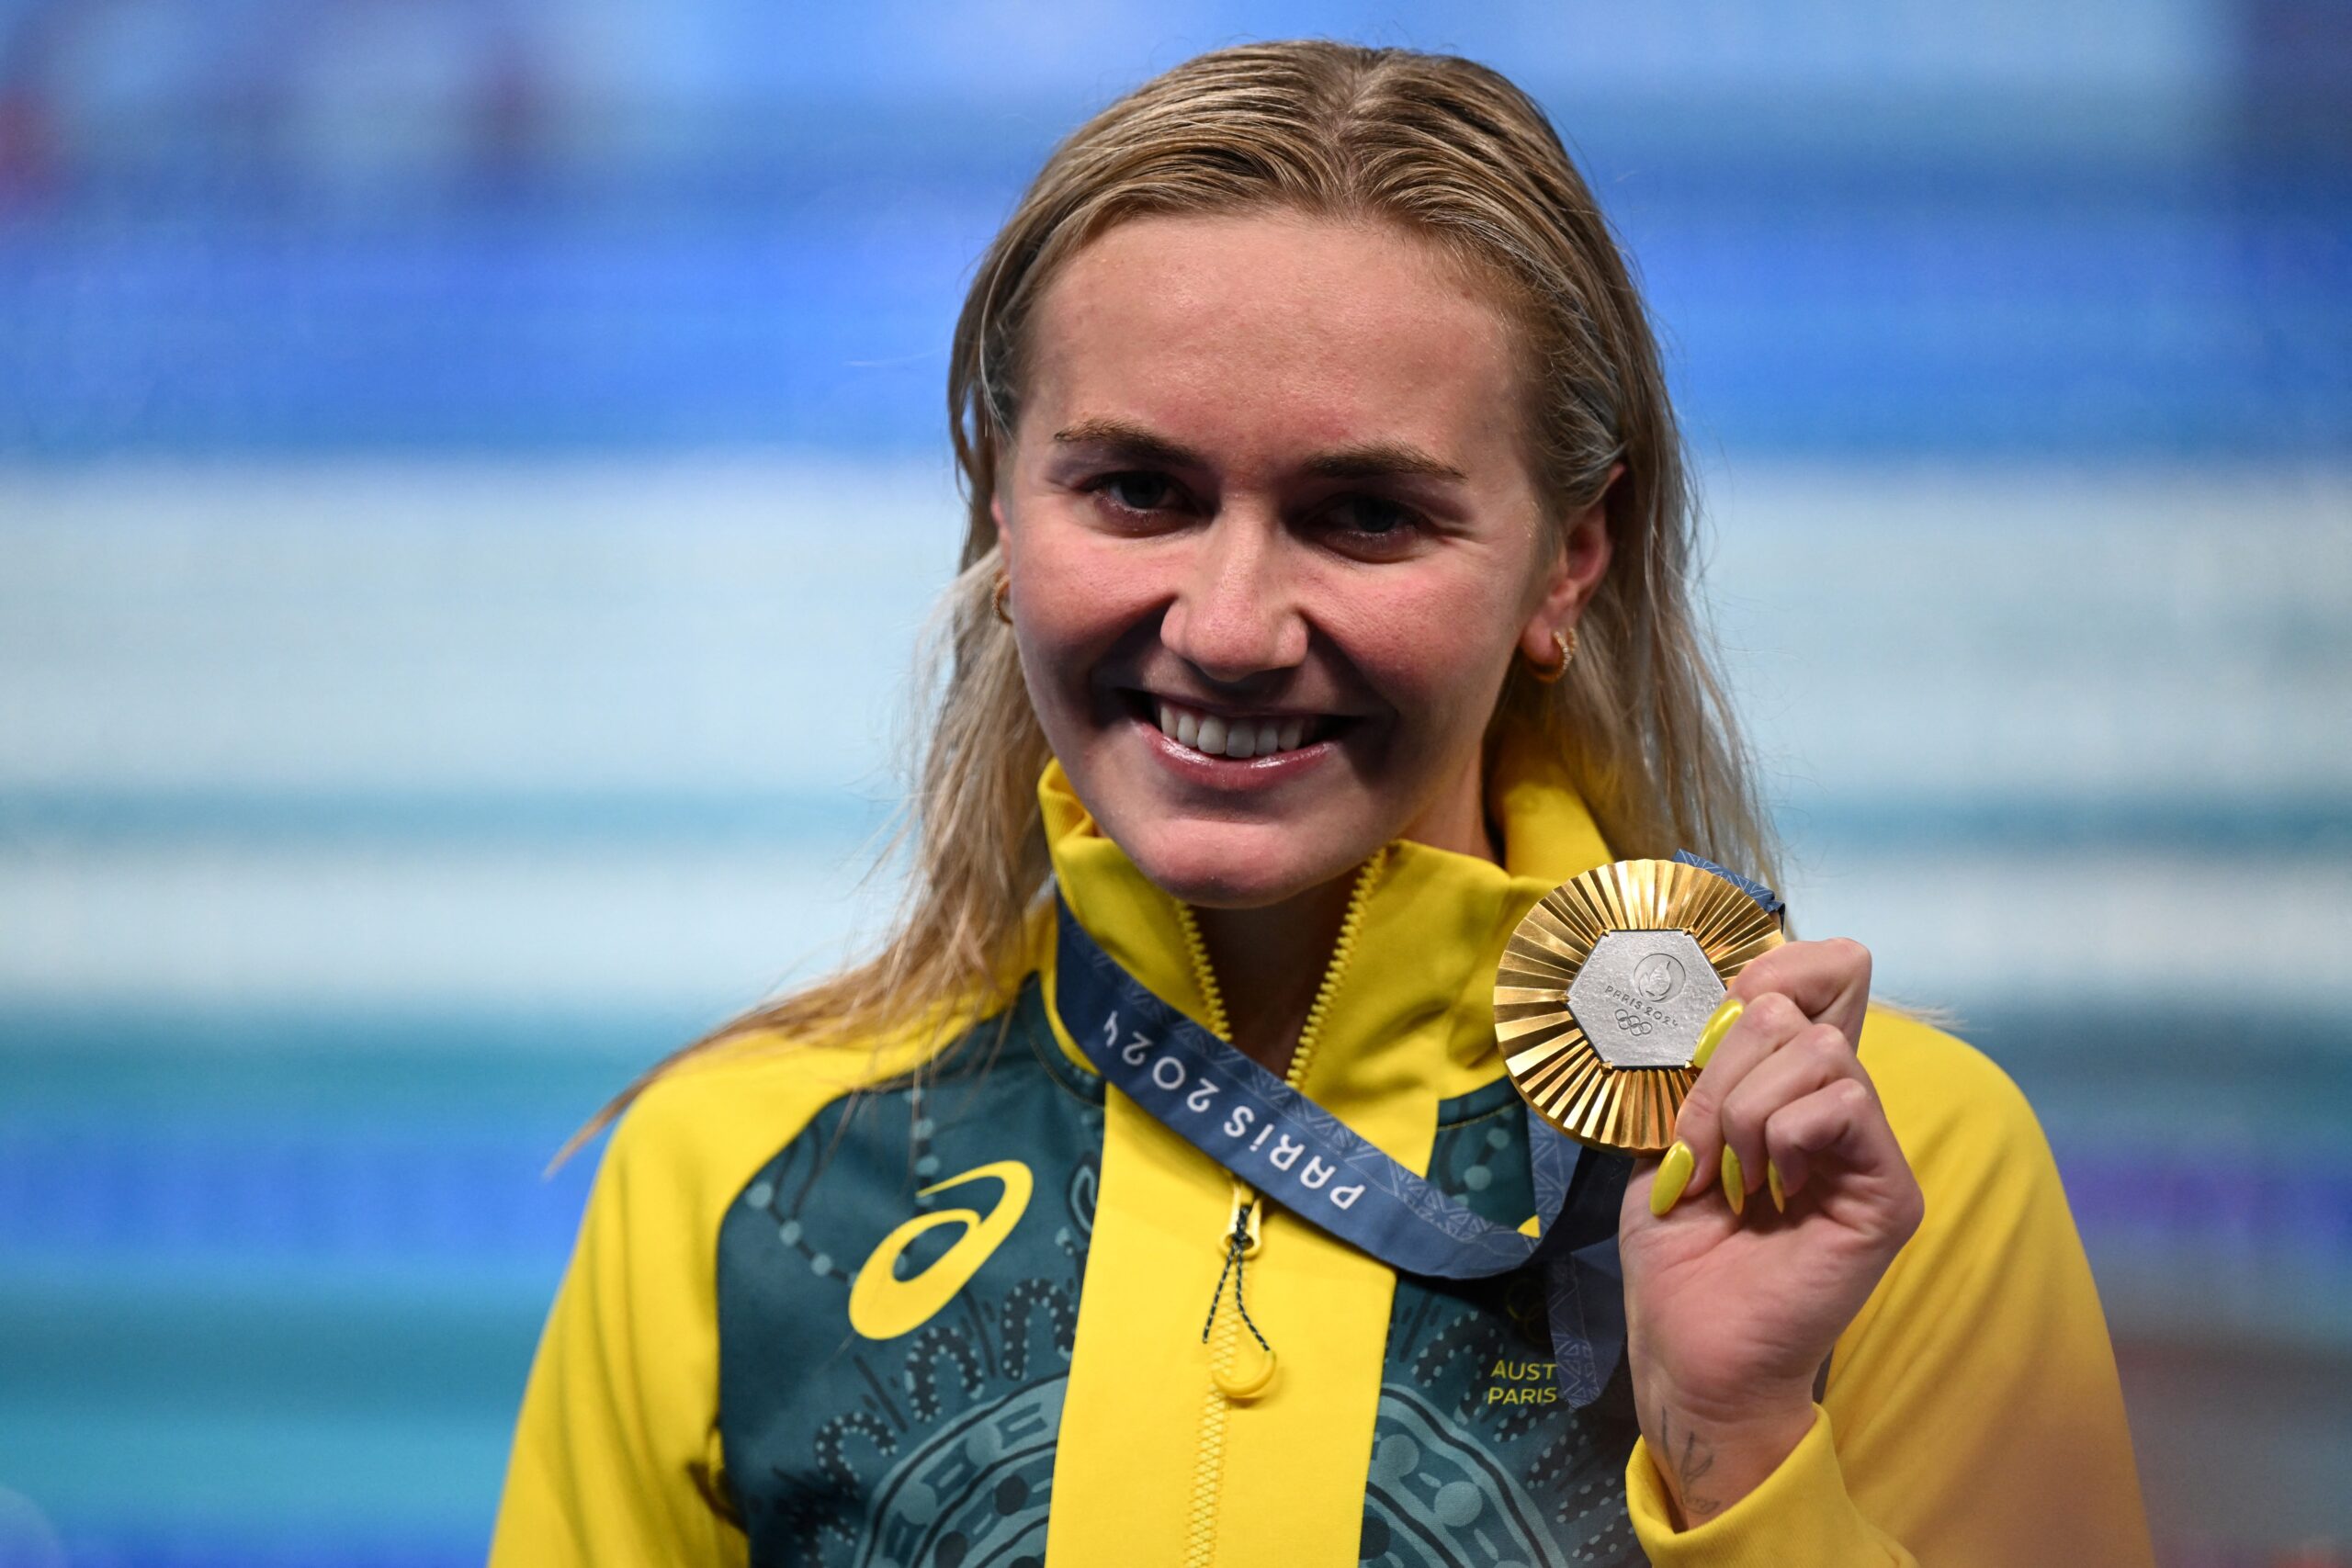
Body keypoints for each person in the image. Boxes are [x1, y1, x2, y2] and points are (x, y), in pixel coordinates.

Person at [491, 40, 2153, 1566]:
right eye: (1137, 490)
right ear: (1001, 500)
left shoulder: (1869, 1165)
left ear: (1568, 559)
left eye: (1364, 516)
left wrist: (1741, 1450)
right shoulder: (742, 1177)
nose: (1228, 628)